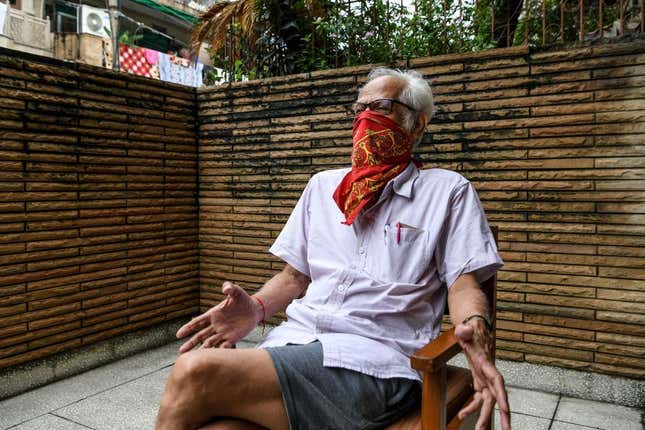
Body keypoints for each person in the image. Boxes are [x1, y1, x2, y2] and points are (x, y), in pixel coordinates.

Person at [156, 67, 512, 430]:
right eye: (359, 110)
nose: (365, 118)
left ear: (417, 124)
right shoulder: (323, 186)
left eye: (381, 106)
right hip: (295, 344)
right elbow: (294, 277)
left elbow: (464, 285)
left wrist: (474, 326)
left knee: (194, 372)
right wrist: (257, 308)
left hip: (375, 364)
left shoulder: (447, 191)